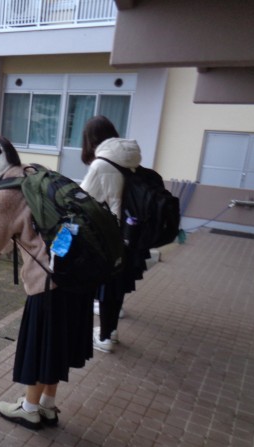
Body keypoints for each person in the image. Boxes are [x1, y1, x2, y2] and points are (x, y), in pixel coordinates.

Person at [0, 135, 94, 430]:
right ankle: (47, 405)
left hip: (49, 281)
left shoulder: (4, 195)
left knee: (40, 348)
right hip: (76, 272)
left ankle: (30, 409)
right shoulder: (32, 171)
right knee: (54, 347)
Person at [80, 115, 147, 353]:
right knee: (117, 283)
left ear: (90, 140)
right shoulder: (130, 160)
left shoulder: (101, 165)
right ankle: (112, 328)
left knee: (107, 284)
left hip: (110, 234)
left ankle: (105, 337)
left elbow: (82, 201)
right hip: (131, 231)